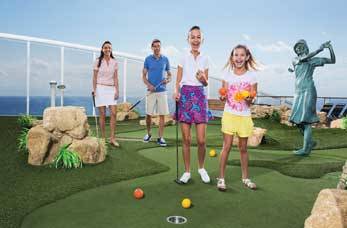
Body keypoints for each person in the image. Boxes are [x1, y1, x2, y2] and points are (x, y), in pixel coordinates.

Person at [217, 44, 258, 191]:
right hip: (229, 115)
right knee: (226, 147)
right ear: (232, 57)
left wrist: (248, 98)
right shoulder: (227, 75)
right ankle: (221, 179)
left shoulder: (252, 76)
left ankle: (245, 178)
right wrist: (222, 96)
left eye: (242, 55)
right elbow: (223, 96)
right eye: (236, 55)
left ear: (247, 57)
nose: (239, 58)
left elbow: (252, 98)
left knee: (243, 148)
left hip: (244, 116)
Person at [174, 26, 212, 184]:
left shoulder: (206, 58)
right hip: (185, 95)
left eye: (198, 37)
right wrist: (176, 91)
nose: (195, 40)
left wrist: (202, 77)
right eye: (192, 37)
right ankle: (187, 172)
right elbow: (178, 80)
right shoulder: (183, 56)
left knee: (202, 140)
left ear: (201, 39)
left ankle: (201, 168)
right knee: (186, 139)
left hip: (199, 95)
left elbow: (206, 82)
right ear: (188, 39)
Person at [288, 40, 335, 155]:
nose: (299, 49)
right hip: (298, 92)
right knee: (297, 121)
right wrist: (319, 49)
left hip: (308, 91)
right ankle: (310, 142)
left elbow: (332, 61)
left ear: (306, 48)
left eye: (301, 46)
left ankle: (305, 149)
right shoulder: (295, 60)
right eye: (297, 48)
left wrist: (330, 48)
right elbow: (304, 59)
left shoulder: (313, 61)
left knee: (306, 121)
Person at [142, 39, 172, 146]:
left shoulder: (165, 59)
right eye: (154, 46)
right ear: (152, 47)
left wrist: (167, 80)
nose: (156, 48)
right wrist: (149, 85)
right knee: (148, 114)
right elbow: (144, 76)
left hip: (162, 91)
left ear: (160, 47)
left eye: (158, 46)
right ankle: (148, 133)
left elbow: (169, 75)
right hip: (151, 91)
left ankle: (160, 137)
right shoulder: (148, 59)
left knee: (162, 115)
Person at [92, 41, 119, 147]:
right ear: (102, 49)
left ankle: (112, 138)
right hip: (100, 88)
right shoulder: (97, 61)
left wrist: (117, 90)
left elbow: (116, 77)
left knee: (113, 113)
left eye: (109, 48)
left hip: (111, 89)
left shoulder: (114, 62)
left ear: (111, 49)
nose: (107, 49)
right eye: (105, 48)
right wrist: (94, 90)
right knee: (102, 114)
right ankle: (103, 138)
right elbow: (94, 77)